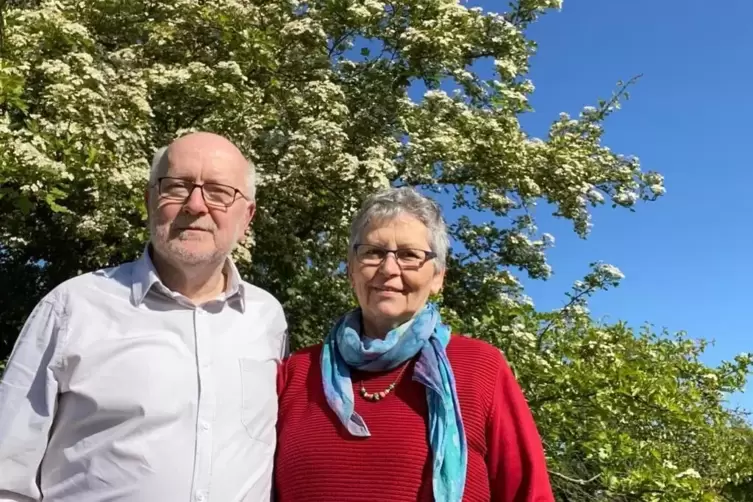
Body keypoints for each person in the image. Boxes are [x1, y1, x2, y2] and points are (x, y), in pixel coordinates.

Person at [0, 132, 288, 502]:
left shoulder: (266, 319)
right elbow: (7, 471)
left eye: (218, 191)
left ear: (247, 215)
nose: (196, 205)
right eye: (177, 187)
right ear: (150, 199)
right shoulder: (73, 307)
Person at [275, 187, 554, 502]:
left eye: (409, 255)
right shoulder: (297, 373)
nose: (389, 269)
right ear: (351, 270)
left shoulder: (481, 369)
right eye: (373, 253)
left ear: (437, 277)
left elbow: (530, 494)